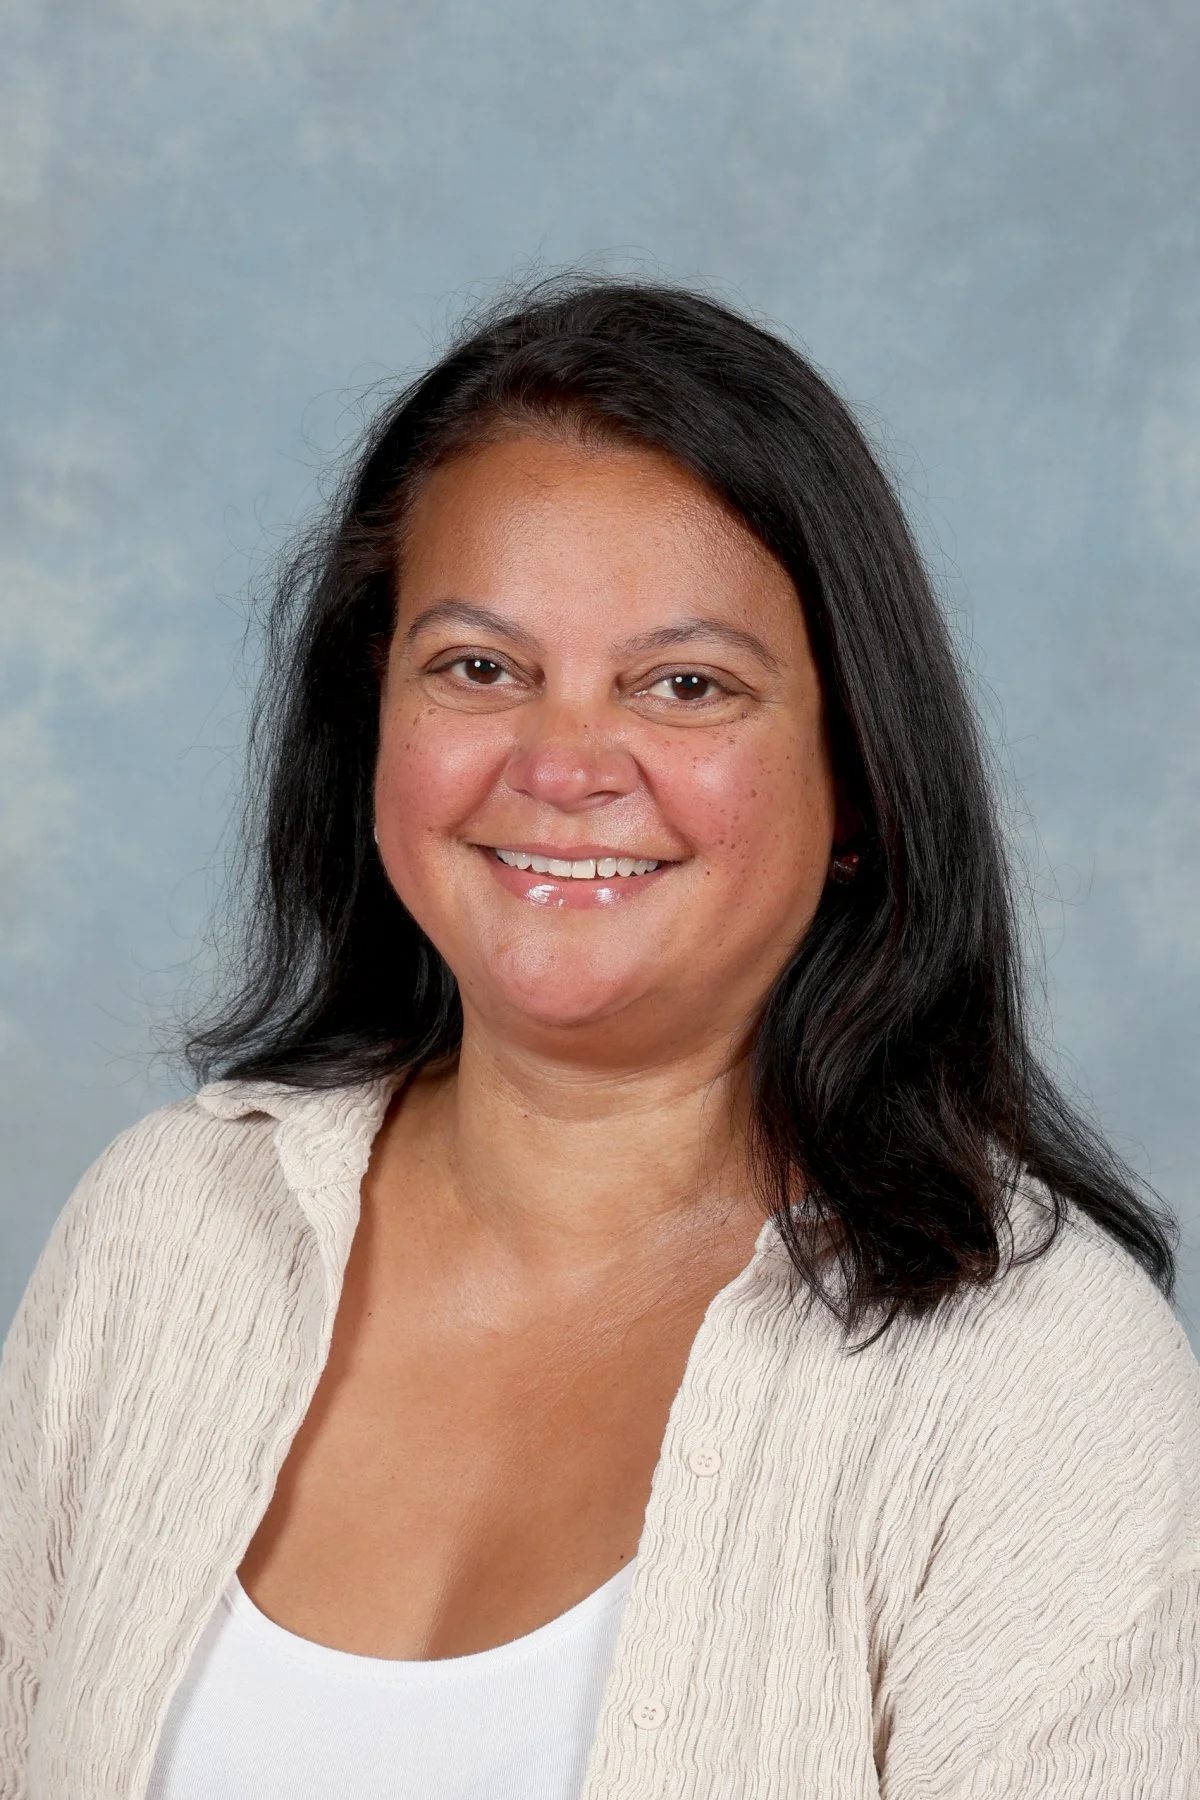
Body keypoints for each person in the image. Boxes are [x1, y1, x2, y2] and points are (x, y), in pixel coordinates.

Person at [2, 279, 1198, 1800]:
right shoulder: (164, 1233)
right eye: (480, 668)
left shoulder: (1036, 1379)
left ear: (859, 782)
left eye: (685, 685)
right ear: (369, 717)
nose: (564, 763)